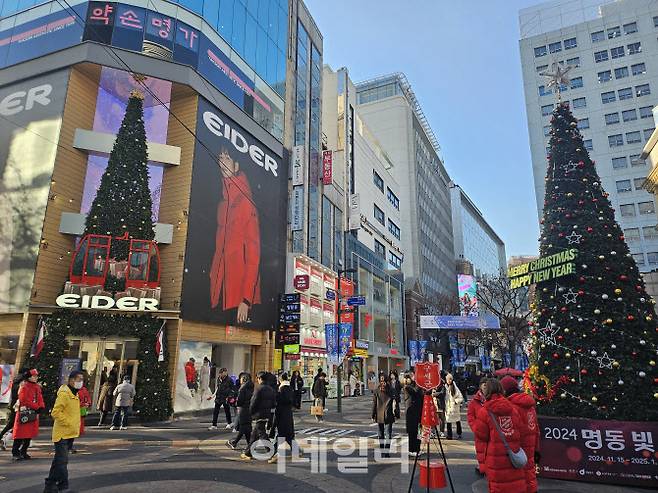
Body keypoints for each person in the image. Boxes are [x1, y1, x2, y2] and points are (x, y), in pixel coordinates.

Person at [209, 144, 261, 325]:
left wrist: (246, 299)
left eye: (227, 158)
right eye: (220, 157)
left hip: (237, 297)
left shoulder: (246, 203)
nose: (222, 161)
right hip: (218, 293)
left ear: (236, 166)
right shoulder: (222, 204)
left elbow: (253, 257)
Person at [472, 378, 527, 493]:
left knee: (498, 487)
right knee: (515, 485)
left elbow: (481, 435)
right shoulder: (513, 409)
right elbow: (521, 430)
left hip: (495, 457)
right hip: (513, 454)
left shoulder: (484, 411)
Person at [43, 371, 83, 492]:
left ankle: (50, 484)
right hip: (62, 434)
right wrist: (68, 423)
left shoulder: (75, 394)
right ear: (71, 380)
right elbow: (55, 412)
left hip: (70, 433)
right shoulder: (64, 394)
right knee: (62, 461)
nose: (81, 382)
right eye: (79, 379)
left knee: (58, 461)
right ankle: (63, 485)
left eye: (82, 380)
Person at [502, 376, 539, 493]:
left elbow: (512, 431)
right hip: (531, 447)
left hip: (519, 449)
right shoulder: (530, 406)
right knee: (530, 475)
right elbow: (536, 429)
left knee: (519, 479)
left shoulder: (512, 407)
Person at [242, 371, 276, 460]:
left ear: (260, 379)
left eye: (257, 378)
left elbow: (253, 402)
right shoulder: (271, 389)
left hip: (259, 414)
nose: (257, 380)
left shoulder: (259, 389)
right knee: (254, 435)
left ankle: (272, 452)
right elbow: (273, 403)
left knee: (261, 434)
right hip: (267, 414)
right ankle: (248, 452)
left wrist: (251, 413)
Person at [12, 369, 44, 461]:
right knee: (19, 435)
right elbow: (24, 400)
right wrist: (37, 407)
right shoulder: (24, 386)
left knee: (28, 435)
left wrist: (41, 406)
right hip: (24, 413)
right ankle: (15, 452)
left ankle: (23, 451)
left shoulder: (37, 387)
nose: (36, 378)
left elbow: (40, 398)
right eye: (34, 376)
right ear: (29, 377)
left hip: (32, 413)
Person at [270, 373, 301, 463]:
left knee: (281, 436)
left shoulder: (281, 389)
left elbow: (281, 401)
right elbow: (292, 401)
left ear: (280, 379)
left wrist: (277, 397)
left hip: (282, 414)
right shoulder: (290, 388)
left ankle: (274, 453)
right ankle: (296, 451)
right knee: (289, 436)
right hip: (288, 414)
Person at [0, 367, 26, 451]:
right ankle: (5, 439)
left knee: (11, 424)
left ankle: (2, 437)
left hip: (13, 405)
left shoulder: (15, 380)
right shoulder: (23, 382)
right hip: (19, 406)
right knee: (18, 425)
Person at [467, 377, 488, 475]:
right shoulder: (474, 401)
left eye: (488, 385)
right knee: (481, 451)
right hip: (479, 432)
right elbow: (471, 417)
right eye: (484, 385)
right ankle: (483, 468)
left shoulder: (493, 399)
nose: (486, 387)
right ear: (480, 386)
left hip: (492, 431)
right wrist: (476, 428)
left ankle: (487, 468)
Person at [228, 373, 254, 450]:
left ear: (244, 380)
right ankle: (249, 445)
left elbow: (240, 401)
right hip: (249, 408)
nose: (240, 380)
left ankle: (235, 442)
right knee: (247, 427)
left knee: (243, 426)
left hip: (243, 409)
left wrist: (235, 402)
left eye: (241, 379)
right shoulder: (251, 388)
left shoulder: (243, 389)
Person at [372, 374, 395, 457]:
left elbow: (374, 404)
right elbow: (396, 401)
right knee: (388, 434)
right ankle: (386, 452)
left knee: (381, 434)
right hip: (388, 414)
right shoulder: (391, 390)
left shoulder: (376, 390)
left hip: (379, 415)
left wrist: (373, 415)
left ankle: (382, 451)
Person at [402, 371, 423, 456]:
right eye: (409, 378)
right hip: (411, 413)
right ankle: (412, 450)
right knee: (413, 432)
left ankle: (416, 449)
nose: (410, 379)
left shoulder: (414, 385)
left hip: (417, 412)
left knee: (417, 432)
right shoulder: (407, 387)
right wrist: (418, 382)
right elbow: (415, 392)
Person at [69, 381, 91, 454]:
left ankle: (69, 447)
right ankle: (69, 447)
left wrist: (87, 403)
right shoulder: (73, 390)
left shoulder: (82, 390)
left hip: (79, 411)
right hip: (75, 411)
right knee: (72, 430)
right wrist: (85, 403)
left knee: (74, 429)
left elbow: (87, 398)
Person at [444, 373, 464, 439]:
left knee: (457, 421)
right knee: (448, 422)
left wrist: (455, 401)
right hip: (448, 407)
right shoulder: (445, 387)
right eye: (447, 379)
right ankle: (450, 435)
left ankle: (459, 433)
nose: (449, 380)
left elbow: (461, 397)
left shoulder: (455, 387)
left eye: (450, 379)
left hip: (454, 408)